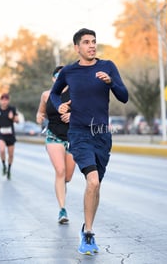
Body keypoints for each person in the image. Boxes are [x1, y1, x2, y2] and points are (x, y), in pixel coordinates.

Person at [50, 28, 128, 255]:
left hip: (102, 134)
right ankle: (89, 234)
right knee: (92, 182)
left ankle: (87, 226)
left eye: (94, 42)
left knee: (96, 185)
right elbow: (55, 94)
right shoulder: (69, 71)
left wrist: (111, 82)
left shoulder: (108, 67)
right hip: (79, 133)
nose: (92, 45)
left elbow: (124, 96)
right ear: (77, 47)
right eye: (86, 42)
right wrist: (60, 106)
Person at [36, 66, 75, 224]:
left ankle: (61, 191)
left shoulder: (75, 92)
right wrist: (39, 116)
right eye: (58, 75)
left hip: (73, 138)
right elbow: (41, 112)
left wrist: (73, 115)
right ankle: (62, 210)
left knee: (67, 176)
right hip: (54, 137)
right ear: (53, 79)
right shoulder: (47, 95)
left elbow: (86, 111)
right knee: (60, 171)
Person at [0, 93, 19, 180]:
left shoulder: (12, 109)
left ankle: (9, 170)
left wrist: (12, 117)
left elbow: (17, 121)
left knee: (10, 155)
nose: (4, 101)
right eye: (2, 99)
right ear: (0, 100)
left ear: (8, 100)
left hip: (10, 135)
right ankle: (3, 165)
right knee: (2, 150)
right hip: (1, 134)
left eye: (6, 99)